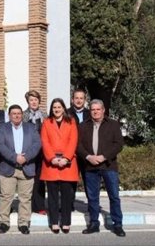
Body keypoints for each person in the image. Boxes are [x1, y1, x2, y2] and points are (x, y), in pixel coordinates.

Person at [77, 99, 126, 237]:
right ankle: (94, 223)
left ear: (103, 110)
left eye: (98, 109)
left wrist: (104, 157)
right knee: (92, 197)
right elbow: (78, 145)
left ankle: (117, 225)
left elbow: (118, 144)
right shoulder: (82, 126)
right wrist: (88, 157)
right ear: (90, 111)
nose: (95, 112)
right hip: (90, 166)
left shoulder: (113, 125)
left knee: (114, 196)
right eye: (93, 109)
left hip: (108, 165)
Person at [0, 104, 41, 235]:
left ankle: (23, 223)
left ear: (22, 115)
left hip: (27, 167)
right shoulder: (2, 128)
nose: (16, 115)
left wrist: (25, 158)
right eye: (13, 113)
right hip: (8, 167)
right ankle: (4, 223)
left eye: (19, 113)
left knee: (25, 198)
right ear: (9, 115)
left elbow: (37, 144)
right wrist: (15, 157)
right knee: (5, 197)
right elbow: (0, 145)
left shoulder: (31, 128)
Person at [40, 98, 78, 234]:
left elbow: (73, 141)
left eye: (59, 107)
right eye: (54, 107)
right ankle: (54, 222)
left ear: (63, 108)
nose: (57, 109)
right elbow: (44, 141)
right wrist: (52, 158)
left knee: (67, 196)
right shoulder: (46, 122)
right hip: (51, 164)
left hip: (67, 164)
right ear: (52, 109)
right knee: (52, 196)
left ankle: (66, 222)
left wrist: (66, 158)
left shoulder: (71, 121)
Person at [24, 89, 47, 214]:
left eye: (36, 100)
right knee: (27, 179)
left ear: (39, 101)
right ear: (28, 101)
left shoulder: (45, 116)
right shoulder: (22, 115)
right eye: (31, 100)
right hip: (27, 151)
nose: (33, 102)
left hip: (42, 152)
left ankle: (39, 206)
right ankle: (27, 206)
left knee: (39, 179)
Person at [68, 88, 90, 197]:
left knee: (89, 180)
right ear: (72, 99)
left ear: (85, 100)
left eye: (81, 98)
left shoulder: (90, 114)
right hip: (72, 153)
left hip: (87, 152)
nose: (79, 100)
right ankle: (69, 205)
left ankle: (92, 206)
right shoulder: (66, 113)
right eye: (76, 98)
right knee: (71, 181)